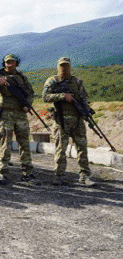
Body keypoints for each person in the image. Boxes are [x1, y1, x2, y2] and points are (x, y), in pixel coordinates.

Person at [43, 57, 95, 186]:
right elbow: (45, 97)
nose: (64, 68)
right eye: (61, 65)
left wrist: (86, 113)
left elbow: (84, 98)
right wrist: (62, 96)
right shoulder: (53, 81)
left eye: (66, 65)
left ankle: (85, 176)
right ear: (58, 66)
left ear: (70, 66)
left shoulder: (77, 81)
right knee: (60, 150)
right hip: (61, 121)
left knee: (82, 148)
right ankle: (58, 176)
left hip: (77, 120)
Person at [0, 54, 37, 185]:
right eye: (7, 62)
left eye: (12, 62)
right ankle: (3, 174)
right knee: (5, 145)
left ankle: (27, 173)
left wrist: (27, 104)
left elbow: (30, 93)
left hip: (20, 114)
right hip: (5, 114)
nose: (10, 65)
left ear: (16, 63)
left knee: (25, 144)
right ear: (4, 63)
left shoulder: (21, 78)